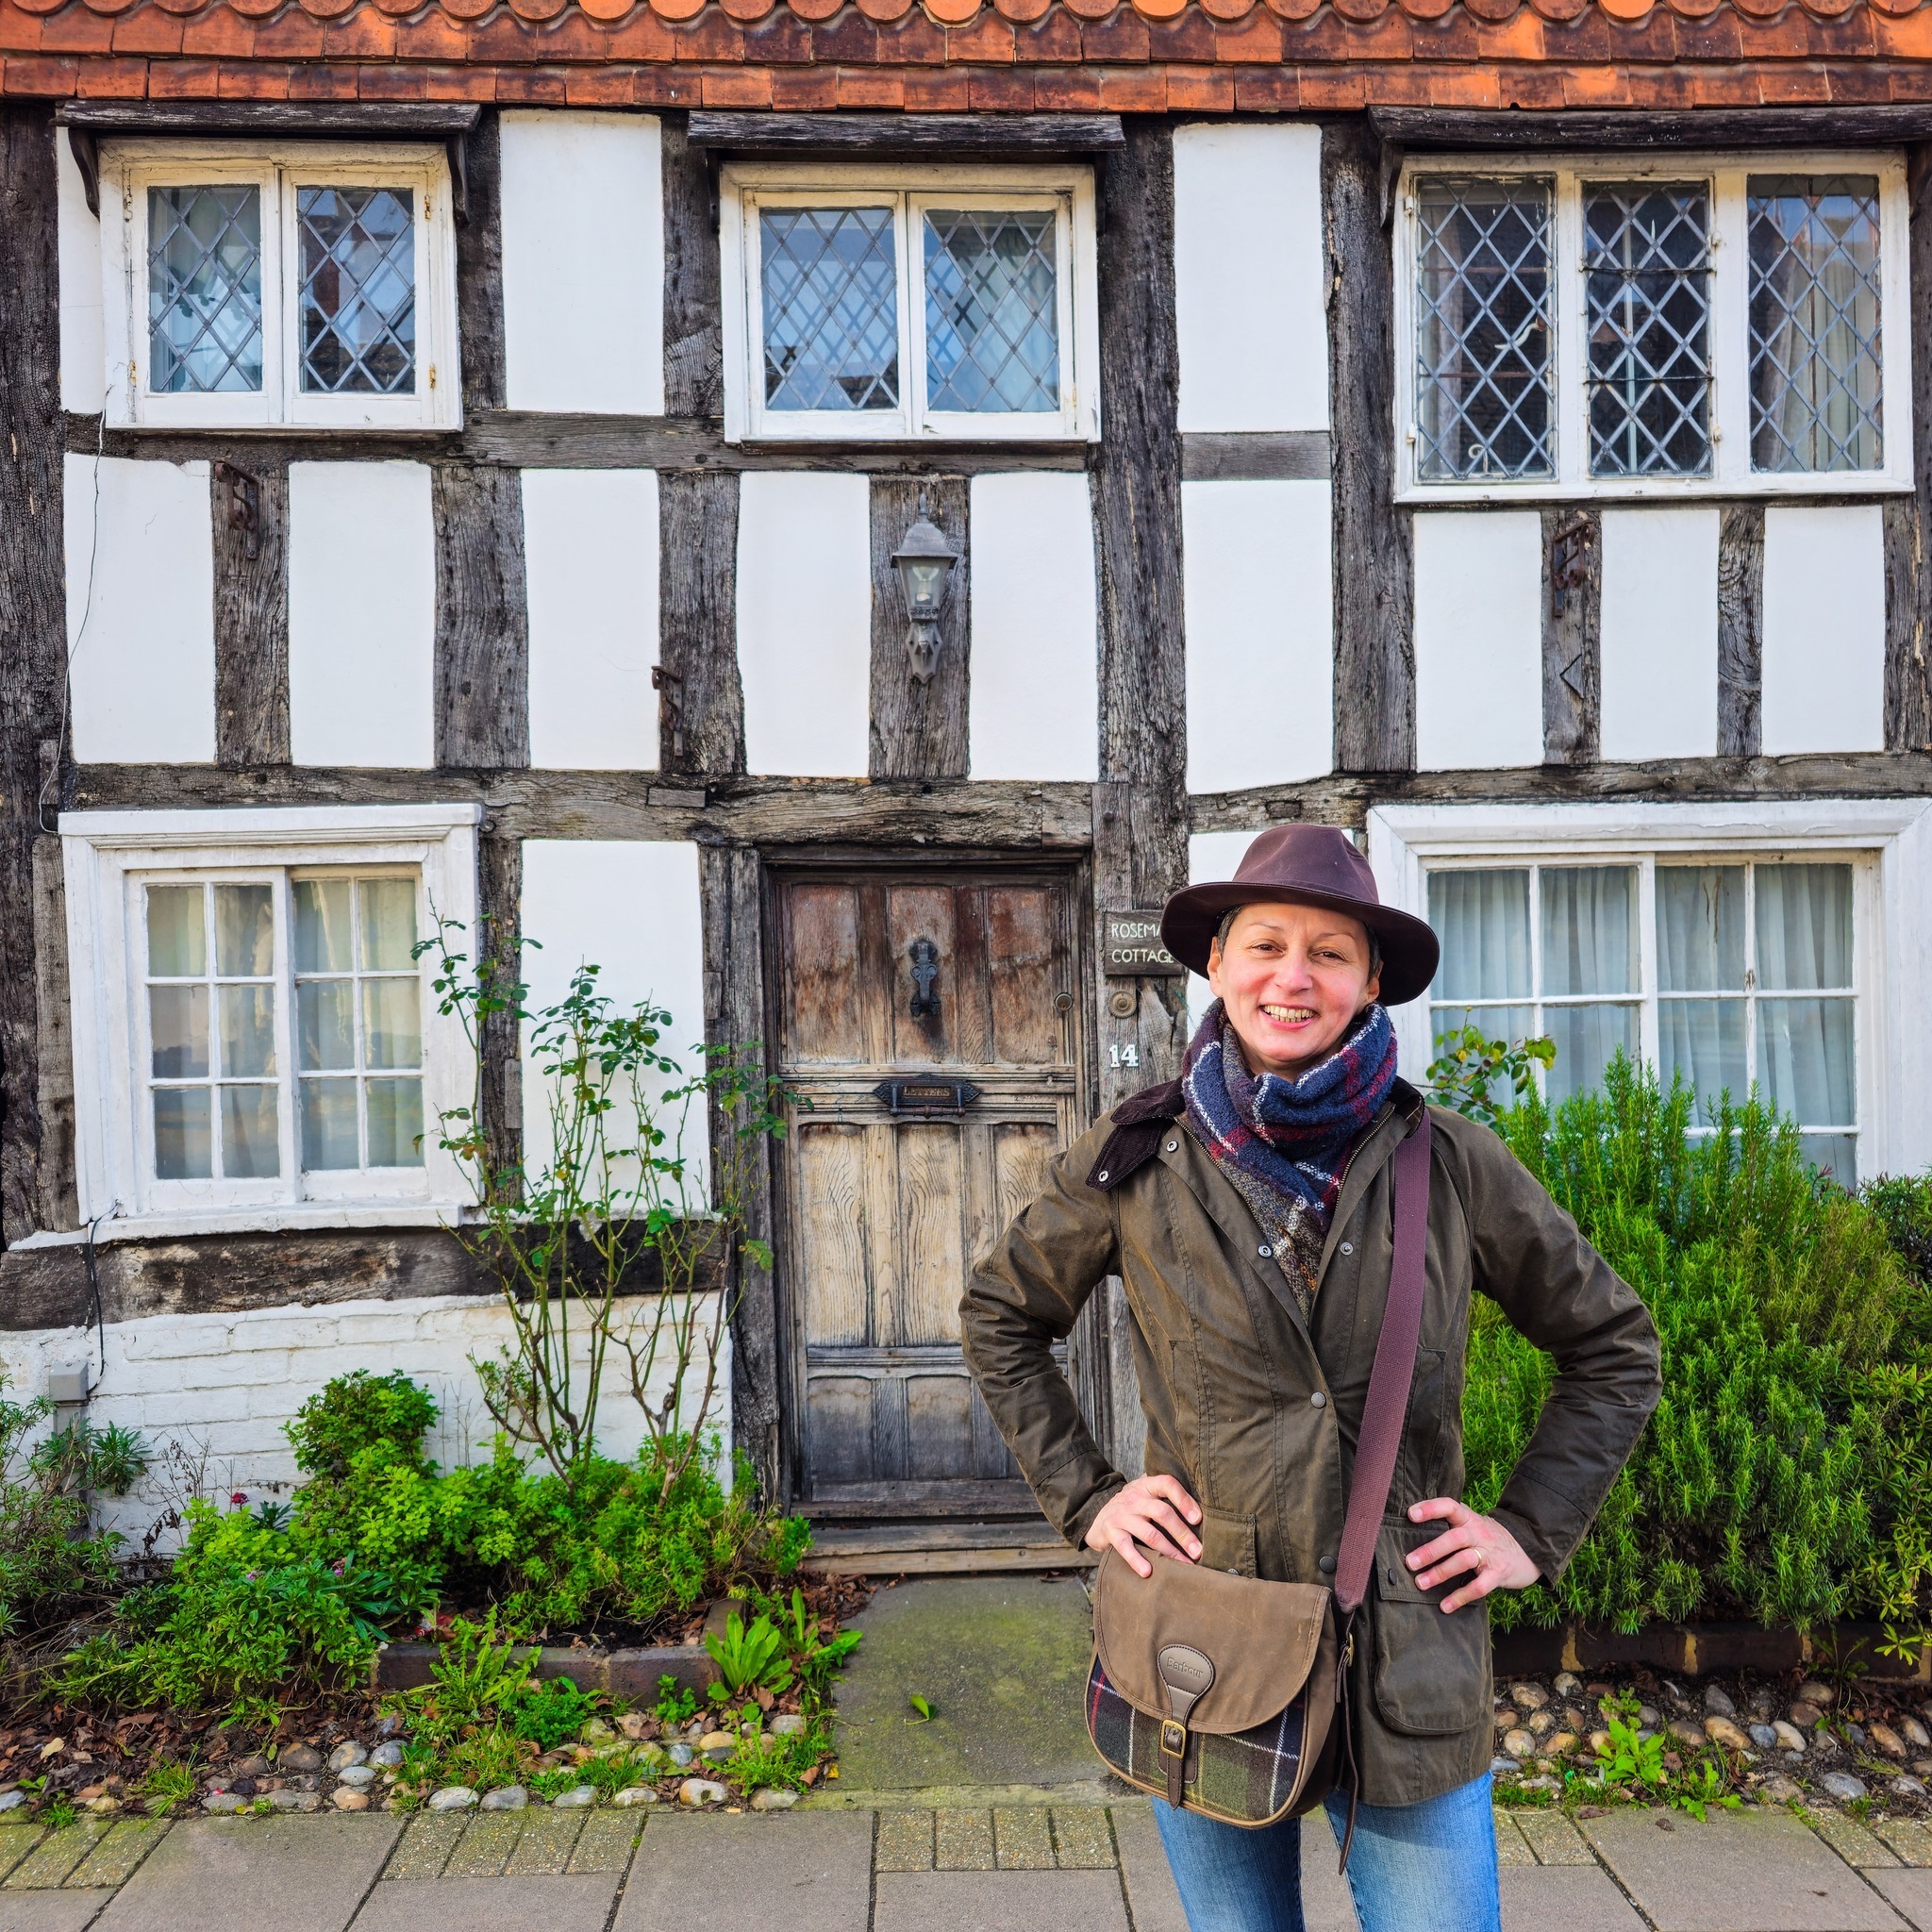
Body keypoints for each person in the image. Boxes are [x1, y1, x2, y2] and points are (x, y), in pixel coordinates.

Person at [960, 825, 1662, 1932]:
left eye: (1328, 952)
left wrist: (1528, 1527)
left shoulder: (1451, 1162)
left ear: (1369, 979)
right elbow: (1001, 1312)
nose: (1292, 976)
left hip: (1405, 1653)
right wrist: (1090, 1496)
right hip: (1204, 1637)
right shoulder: (1136, 1157)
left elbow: (1612, 1344)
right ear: (1216, 963)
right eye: (1265, 944)